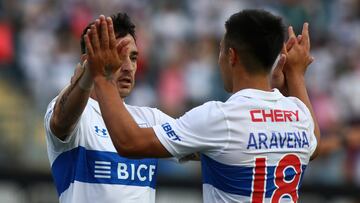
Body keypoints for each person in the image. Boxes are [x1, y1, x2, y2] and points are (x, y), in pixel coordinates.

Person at [85, 9, 320, 203]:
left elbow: (129, 142)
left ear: (232, 56)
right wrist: (296, 76)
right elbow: (314, 145)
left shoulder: (220, 118)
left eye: (220, 51)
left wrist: (103, 75)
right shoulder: (299, 114)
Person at [44, 13, 174, 203]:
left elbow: (201, 144)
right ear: (90, 61)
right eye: (118, 57)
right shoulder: (78, 113)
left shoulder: (151, 120)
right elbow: (60, 122)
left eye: (134, 58)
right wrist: (92, 72)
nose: (129, 67)